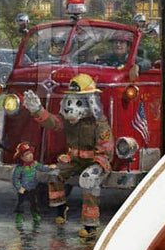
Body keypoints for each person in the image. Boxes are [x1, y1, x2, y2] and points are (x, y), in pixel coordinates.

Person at [21, 74, 113, 239]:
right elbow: (53, 123)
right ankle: (61, 209)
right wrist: (37, 110)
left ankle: (90, 225)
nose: (71, 108)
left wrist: (98, 165)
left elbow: (106, 149)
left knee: (89, 181)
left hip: (95, 162)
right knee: (54, 174)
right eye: (69, 102)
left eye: (78, 102)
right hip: (74, 160)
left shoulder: (99, 124)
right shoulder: (69, 120)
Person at [10, 141, 41, 231]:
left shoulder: (34, 164)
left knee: (34, 202)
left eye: (30, 153)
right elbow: (15, 179)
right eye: (27, 154)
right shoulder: (19, 168)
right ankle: (19, 217)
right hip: (23, 188)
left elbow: (42, 168)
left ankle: (35, 215)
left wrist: (50, 167)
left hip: (32, 187)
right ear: (22, 157)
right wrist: (19, 187)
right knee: (21, 203)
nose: (30, 155)